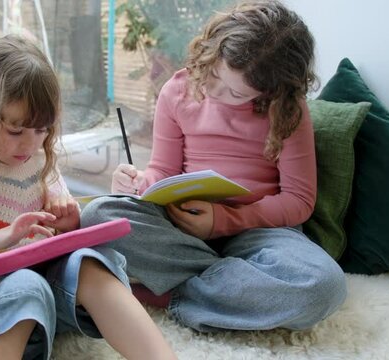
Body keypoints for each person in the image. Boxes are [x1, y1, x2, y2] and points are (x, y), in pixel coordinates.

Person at [0, 35, 176, 360]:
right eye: (15, 131)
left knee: (89, 263)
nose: (30, 145)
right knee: (24, 283)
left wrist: (68, 224)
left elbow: (59, 240)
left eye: (42, 131)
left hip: (54, 307)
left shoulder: (38, 162)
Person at [81, 0, 347, 333]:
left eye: (237, 92)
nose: (215, 92)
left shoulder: (289, 111)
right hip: (182, 224)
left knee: (324, 287)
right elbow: (162, 172)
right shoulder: (177, 92)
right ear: (209, 52)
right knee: (99, 215)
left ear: (272, 92)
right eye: (214, 74)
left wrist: (225, 220)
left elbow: (298, 201)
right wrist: (138, 184)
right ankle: (237, 287)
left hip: (260, 233)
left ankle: (167, 295)